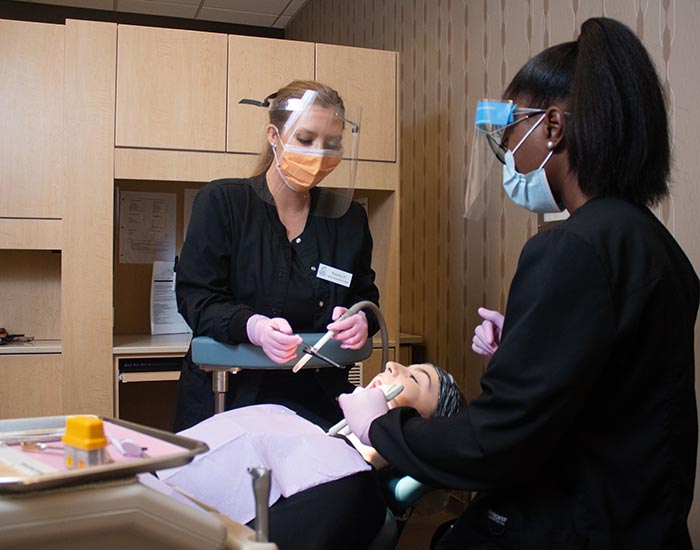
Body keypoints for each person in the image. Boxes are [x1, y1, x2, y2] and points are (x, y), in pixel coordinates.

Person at [339, 17, 699, 550]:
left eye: (511, 130)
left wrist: (379, 428)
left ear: (552, 128)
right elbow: (617, 379)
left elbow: (495, 442)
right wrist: (531, 345)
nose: (507, 150)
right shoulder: (654, 244)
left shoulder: (570, 247)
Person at [173, 80, 380, 433]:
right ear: (274, 135)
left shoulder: (348, 218)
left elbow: (364, 295)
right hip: (232, 398)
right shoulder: (223, 203)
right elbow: (197, 298)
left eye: (331, 144)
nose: (318, 154)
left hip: (318, 401)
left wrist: (361, 320)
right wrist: (252, 326)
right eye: (305, 139)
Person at [158, 362, 465, 550]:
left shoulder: (352, 490)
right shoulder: (292, 414)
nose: (392, 366)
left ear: (418, 429)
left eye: (414, 378)